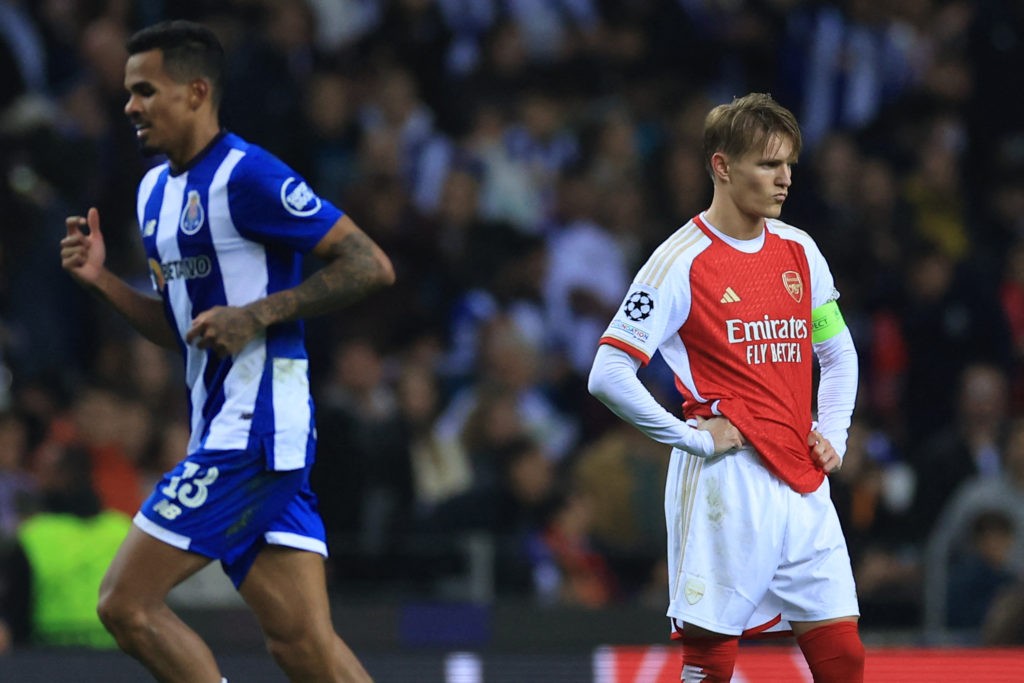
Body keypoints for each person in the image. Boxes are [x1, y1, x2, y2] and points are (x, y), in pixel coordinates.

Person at [58, 20, 394, 683]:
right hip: (226, 428)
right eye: (128, 92)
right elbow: (182, 326)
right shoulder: (153, 193)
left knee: (124, 602)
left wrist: (260, 313)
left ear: (196, 92)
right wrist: (102, 282)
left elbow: (370, 264)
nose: (130, 106)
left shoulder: (249, 175)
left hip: (254, 431)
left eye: (146, 90)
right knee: (303, 645)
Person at [588, 93, 864, 682]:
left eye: (789, 163)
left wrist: (833, 432)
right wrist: (691, 439)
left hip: (801, 478)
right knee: (711, 660)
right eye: (769, 164)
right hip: (726, 482)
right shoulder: (679, 261)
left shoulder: (800, 250)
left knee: (844, 657)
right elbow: (608, 373)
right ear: (721, 166)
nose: (785, 179)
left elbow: (838, 354)